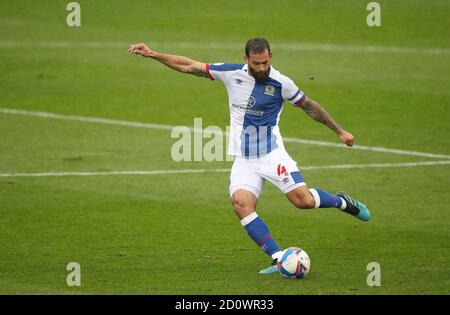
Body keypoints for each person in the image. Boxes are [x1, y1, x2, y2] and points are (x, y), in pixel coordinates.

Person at [128, 38, 371, 274]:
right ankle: (279, 259)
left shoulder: (281, 83)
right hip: (244, 160)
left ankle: (341, 201)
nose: (262, 67)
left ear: (270, 57)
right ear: (246, 59)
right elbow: (188, 65)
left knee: (303, 201)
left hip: (272, 156)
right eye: (257, 63)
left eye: (265, 62)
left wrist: (339, 131)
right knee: (241, 204)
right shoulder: (231, 73)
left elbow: (310, 106)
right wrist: (153, 54)